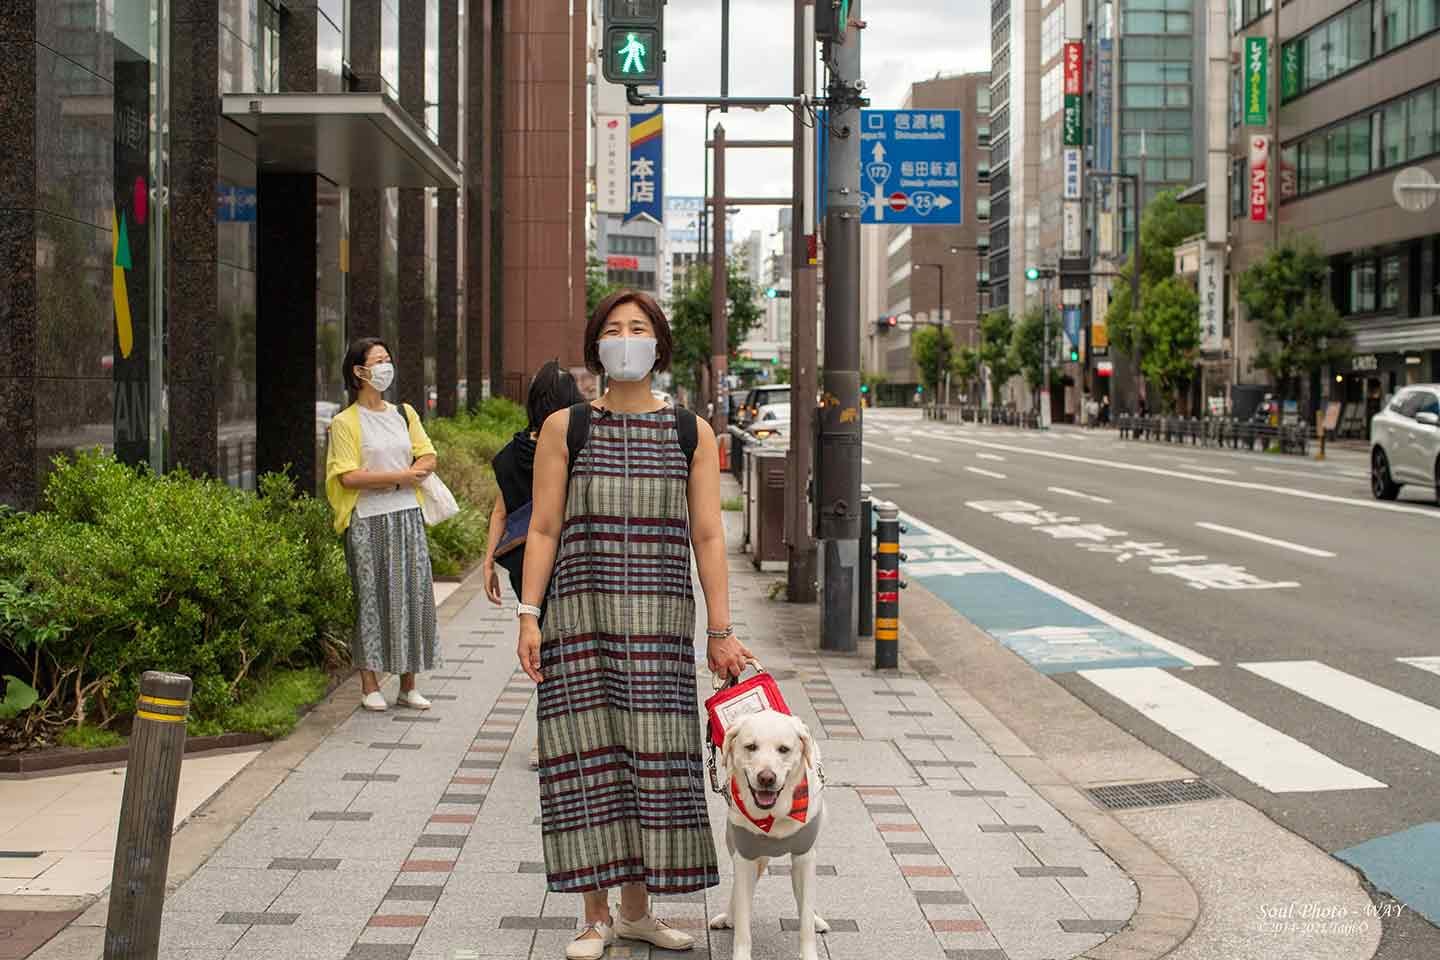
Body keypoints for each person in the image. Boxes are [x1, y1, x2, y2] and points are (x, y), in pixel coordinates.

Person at [517, 290, 752, 960]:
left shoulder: (690, 431)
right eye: (614, 329)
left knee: (656, 763)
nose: (626, 338)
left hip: (660, 627)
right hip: (578, 620)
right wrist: (529, 617)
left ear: (659, 345)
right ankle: (595, 918)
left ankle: (639, 912)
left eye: (638, 328)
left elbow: (709, 536)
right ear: (597, 344)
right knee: (585, 761)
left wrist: (720, 629)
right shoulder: (568, 427)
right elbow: (542, 527)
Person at [325, 338, 442, 712]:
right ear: (359, 372)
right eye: (378, 361)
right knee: (372, 599)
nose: (385, 367)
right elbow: (347, 476)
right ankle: (369, 683)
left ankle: (409, 685)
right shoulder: (345, 423)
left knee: (413, 595)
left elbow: (428, 457)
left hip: (408, 516)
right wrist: (399, 477)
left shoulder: (404, 413)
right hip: (367, 521)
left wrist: (399, 477)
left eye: (387, 359)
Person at [482, 360, 584, 768]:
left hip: (526, 566)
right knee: (576, 651)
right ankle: (567, 739)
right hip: (571, 559)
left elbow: (500, 512)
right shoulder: (571, 445)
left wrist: (489, 562)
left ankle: (547, 740)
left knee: (542, 649)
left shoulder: (510, 454)